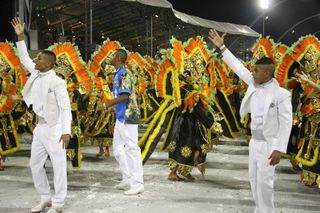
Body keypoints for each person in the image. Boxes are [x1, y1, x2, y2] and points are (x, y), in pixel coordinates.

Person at [209, 29, 292, 213]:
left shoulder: (281, 94)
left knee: (265, 183)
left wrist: (279, 148)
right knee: (254, 180)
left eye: (256, 70)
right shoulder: (253, 83)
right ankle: (259, 209)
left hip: (270, 145)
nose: (252, 72)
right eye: (253, 70)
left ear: (267, 74)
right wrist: (222, 47)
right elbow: (238, 68)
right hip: (254, 142)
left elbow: (286, 123)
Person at [11, 17, 72, 213]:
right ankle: (45, 198)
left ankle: (59, 203)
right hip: (41, 127)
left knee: (59, 166)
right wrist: (20, 36)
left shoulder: (57, 82)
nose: (36, 60)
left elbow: (66, 108)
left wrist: (66, 131)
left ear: (48, 64)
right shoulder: (36, 72)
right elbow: (24, 59)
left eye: (40, 59)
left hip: (55, 129)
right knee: (35, 164)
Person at [97, 49, 144, 195]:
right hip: (121, 115)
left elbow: (125, 96)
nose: (109, 57)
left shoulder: (124, 73)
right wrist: (113, 108)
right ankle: (127, 177)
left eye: (112, 55)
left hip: (129, 115)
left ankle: (137, 183)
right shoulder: (118, 73)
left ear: (117, 58)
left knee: (132, 148)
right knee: (117, 148)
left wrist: (106, 104)